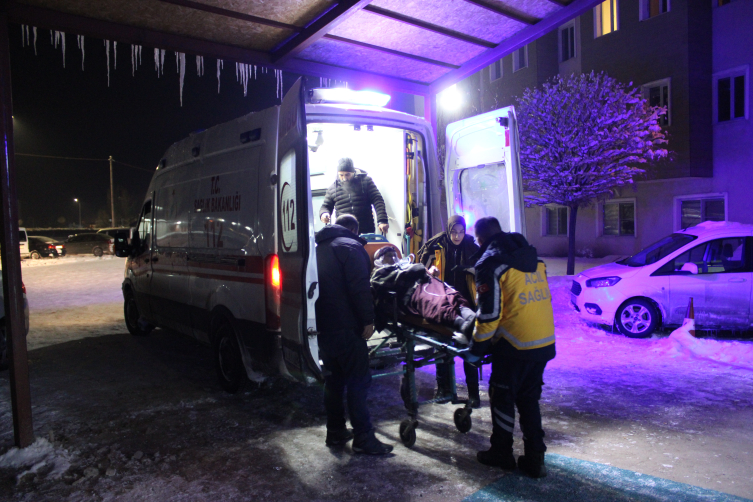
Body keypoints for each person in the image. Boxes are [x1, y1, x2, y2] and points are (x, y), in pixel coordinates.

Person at [466, 216, 555, 478]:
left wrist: (476, 348)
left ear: (480, 239)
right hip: (543, 341)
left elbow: (489, 315)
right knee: (528, 399)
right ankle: (535, 459)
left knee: (502, 398)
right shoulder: (534, 259)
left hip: (514, 344)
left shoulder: (491, 265)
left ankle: (501, 452)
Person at [314, 214, 393, 455]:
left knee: (334, 381)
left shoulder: (318, 247)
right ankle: (363, 437)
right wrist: (368, 319)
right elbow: (360, 288)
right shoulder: (351, 247)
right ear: (354, 230)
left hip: (323, 326)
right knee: (359, 381)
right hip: (347, 326)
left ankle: (335, 431)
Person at [417, 215, 481, 407]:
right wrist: (430, 272)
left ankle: (473, 394)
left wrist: (469, 269)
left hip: (466, 302)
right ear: (448, 230)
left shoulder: (471, 247)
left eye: (461, 232)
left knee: (469, 347)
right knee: (442, 346)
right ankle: (443, 389)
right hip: (442, 301)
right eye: (454, 232)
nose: (457, 236)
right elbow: (421, 267)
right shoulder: (436, 245)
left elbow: (482, 269)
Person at [370, 246, 475, 336]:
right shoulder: (379, 273)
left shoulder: (407, 265)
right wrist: (416, 270)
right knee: (436, 301)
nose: (393, 258)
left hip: (430, 282)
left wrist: (429, 272)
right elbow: (381, 286)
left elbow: (419, 270)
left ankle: (471, 317)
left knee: (452, 295)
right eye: (389, 255)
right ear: (379, 260)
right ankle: (463, 325)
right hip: (414, 291)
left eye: (394, 255)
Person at [319, 158, 389, 235]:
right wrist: (324, 214)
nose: (344, 178)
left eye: (347, 174)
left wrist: (382, 220)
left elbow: (377, 200)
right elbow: (325, 206)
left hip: (366, 230)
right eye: (341, 175)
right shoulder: (333, 188)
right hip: (343, 232)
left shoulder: (365, 182)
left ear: (353, 172)